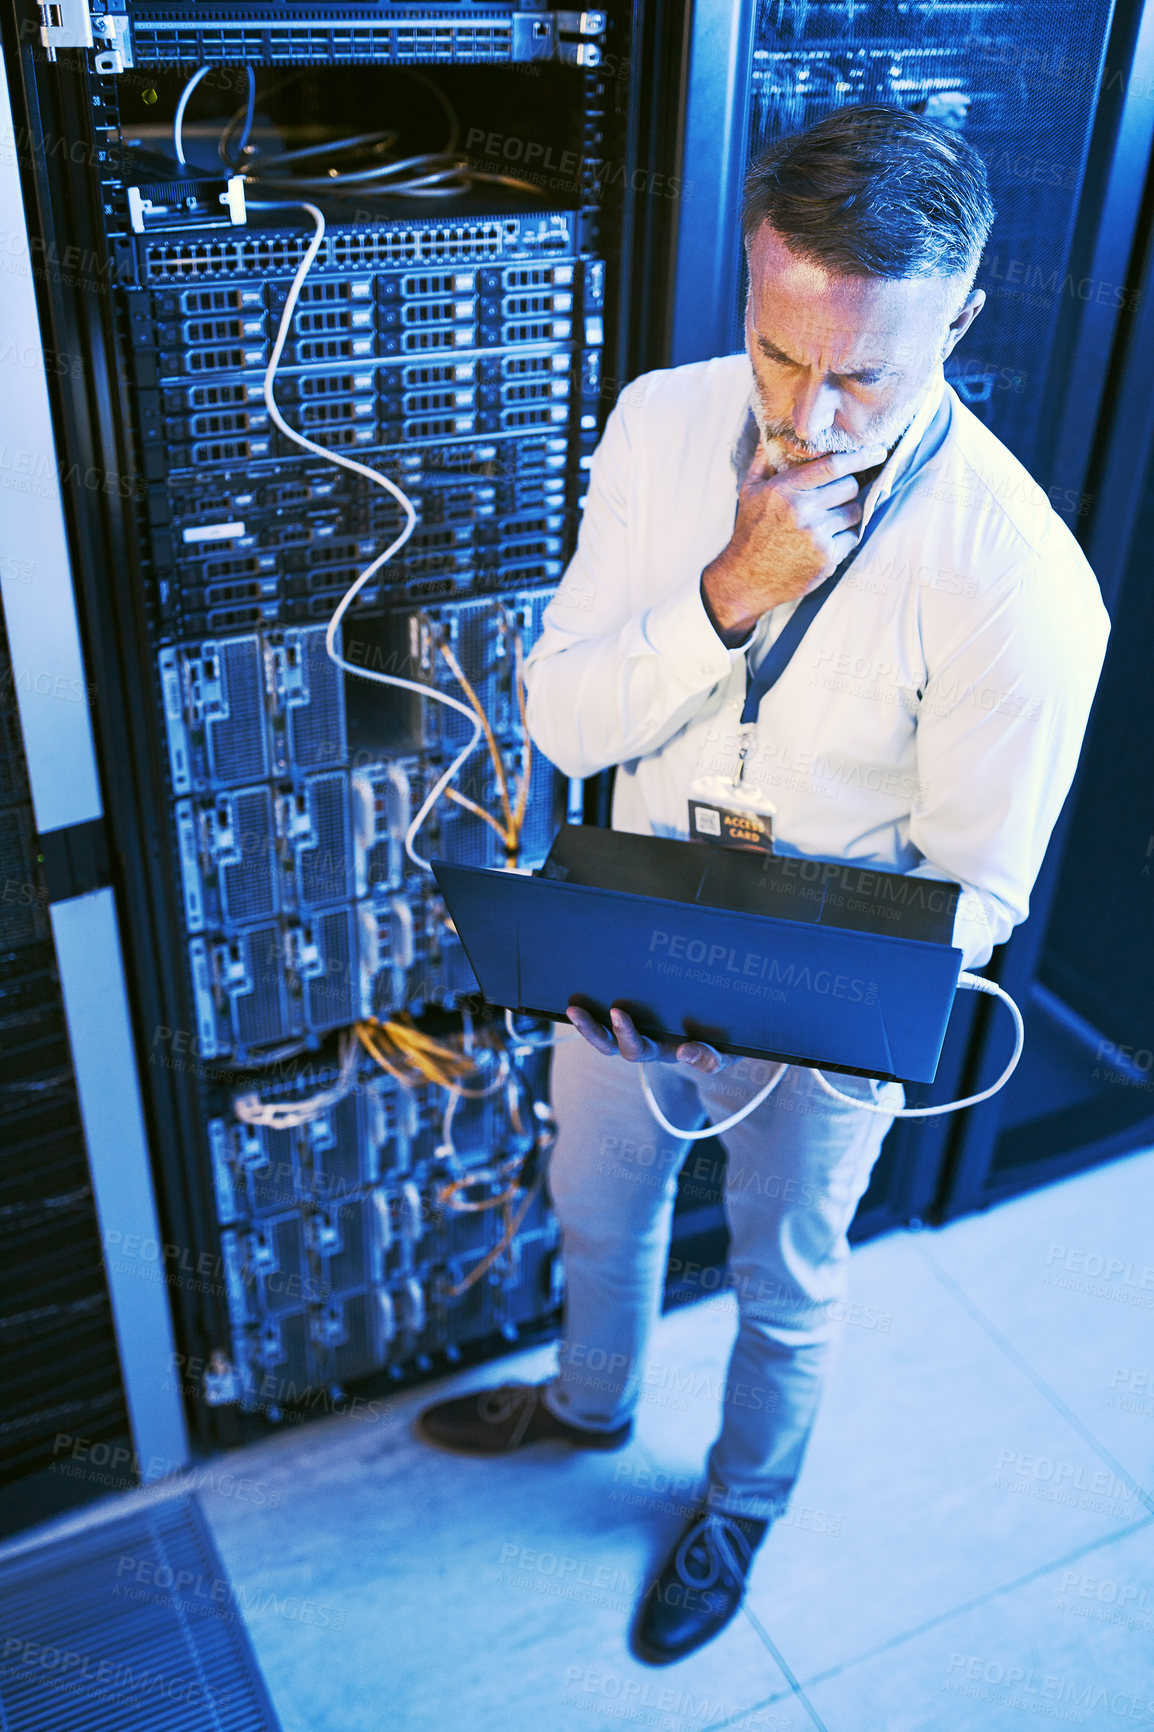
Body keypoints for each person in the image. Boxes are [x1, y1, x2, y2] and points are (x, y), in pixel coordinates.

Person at [416, 103, 1111, 1663]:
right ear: (750, 279)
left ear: (964, 313)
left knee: (788, 1280)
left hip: (829, 993)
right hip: (629, 938)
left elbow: (975, 893)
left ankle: (739, 1503)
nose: (805, 412)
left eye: (864, 371)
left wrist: (778, 1009)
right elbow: (564, 718)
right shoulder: (663, 422)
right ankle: (589, 1407)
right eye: (777, 352)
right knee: (593, 1215)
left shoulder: (1020, 580)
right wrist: (731, 590)